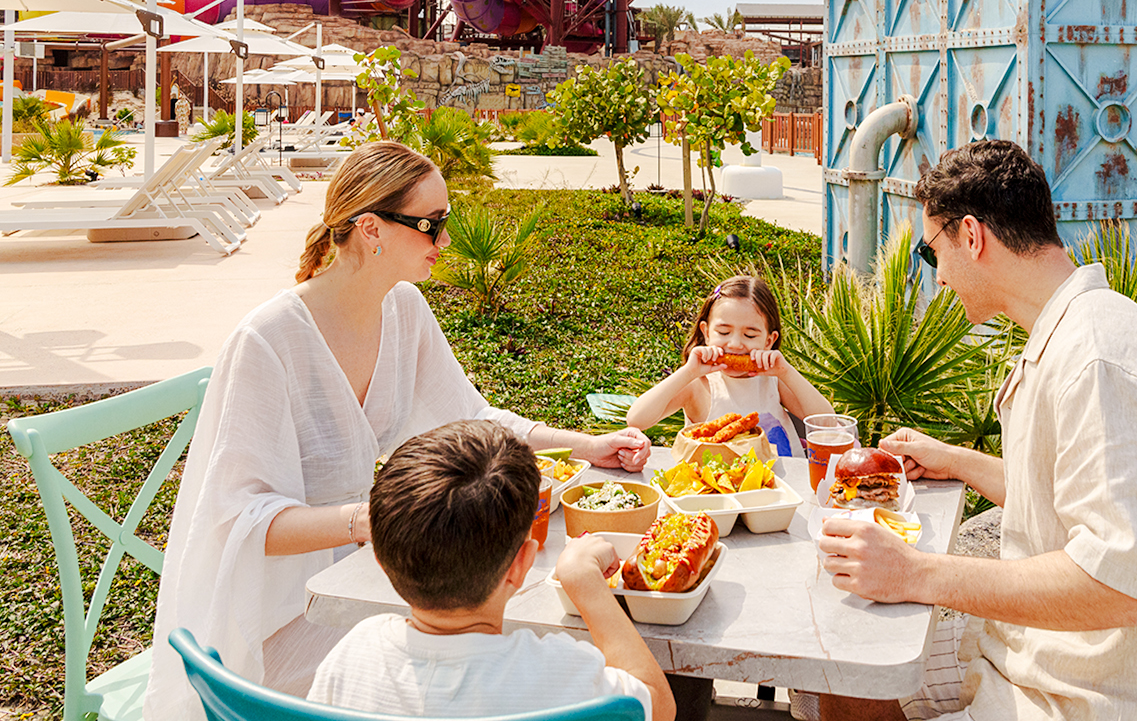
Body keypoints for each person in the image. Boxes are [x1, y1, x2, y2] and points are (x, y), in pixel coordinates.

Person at [146, 141, 650, 721]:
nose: (445, 241)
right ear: (370, 229)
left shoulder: (403, 307)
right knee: (517, 654)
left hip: (381, 576)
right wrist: (381, 523)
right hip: (280, 613)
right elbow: (238, 519)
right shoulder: (268, 341)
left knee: (498, 643)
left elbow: (471, 418)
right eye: (431, 225)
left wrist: (587, 446)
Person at [816, 140, 1137, 721]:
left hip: (1089, 696)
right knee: (831, 674)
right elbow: (1068, 498)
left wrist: (916, 574)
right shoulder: (1077, 327)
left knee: (846, 669)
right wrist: (957, 460)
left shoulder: (1099, 362)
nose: (938, 281)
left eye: (934, 255)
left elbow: (1126, 585)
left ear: (973, 237)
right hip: (1046, 658)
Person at [309, 420, 673, 721]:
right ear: (521, 564)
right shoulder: (558, 671)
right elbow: (657, 703)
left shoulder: (350, 655)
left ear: (382, 563)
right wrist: (584, 582)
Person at [626, 275, 831, 456]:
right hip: (722, 493)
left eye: (750, 335)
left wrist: (786, 372)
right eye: (724, 332)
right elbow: (637, 419)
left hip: (784, 488)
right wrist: (688, 372)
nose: (735, 344)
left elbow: (828, 424)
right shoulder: (698, 384)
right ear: (706, 333)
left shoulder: (773, 379)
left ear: (769, 341)